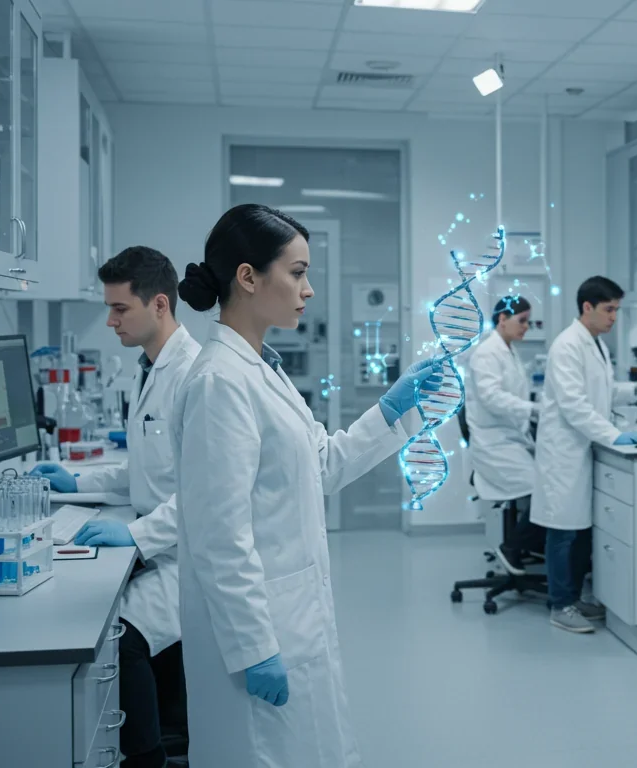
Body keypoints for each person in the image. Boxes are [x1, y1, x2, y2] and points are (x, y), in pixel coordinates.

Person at [171, 203, 441, 768]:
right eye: (297, 273)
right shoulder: (220, 383)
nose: (308, 289)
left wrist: (391, 409)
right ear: (248, 277)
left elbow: (321, 465)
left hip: (291, 615)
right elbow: (219, 536)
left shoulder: (261, 369)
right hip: (259, 632)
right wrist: (253, 646)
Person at [31, 246, 201, 768]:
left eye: (119, 308)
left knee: (117, 635)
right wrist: (75, 481)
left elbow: (205, 494)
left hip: (189, 557)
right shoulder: (148, 369)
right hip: (162, 543)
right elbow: (144, 469)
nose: (110, 321)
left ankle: (147, 759)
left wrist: (135, 535)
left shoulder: (194, 377)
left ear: (159, 304)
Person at [532, 276, 637, 633]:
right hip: (564, 452)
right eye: (609, 309)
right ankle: (560, 605)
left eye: (617, 310)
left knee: (579, 532)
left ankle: (572, 597)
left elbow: (602, 390)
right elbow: (574, 405)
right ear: (588, 307)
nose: (614, 317)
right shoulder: (567, 346)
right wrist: (614, 435)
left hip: (582, 449)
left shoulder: (594, 343)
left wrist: (636, 390)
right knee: (563, 532)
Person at [465, 295, 541, 574]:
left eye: (528, 322)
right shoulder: (487, 353)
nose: (526, 327)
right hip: (494, 445)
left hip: (510, 439)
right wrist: (532, 409)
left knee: (549, 486)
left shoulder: (507, 350)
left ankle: (527, 546)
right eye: (522, 321)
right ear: (502, 319)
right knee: (545, 491)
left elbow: (511, 390)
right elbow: (492, 397)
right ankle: (512, 547)